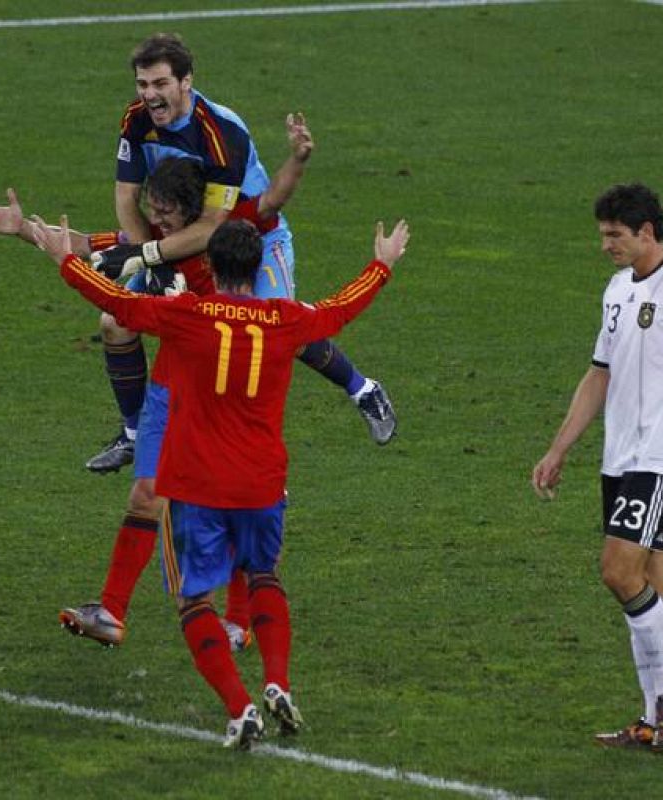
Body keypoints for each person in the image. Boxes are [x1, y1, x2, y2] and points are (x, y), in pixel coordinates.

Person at [33, 212, 410, 749]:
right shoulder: (286, 319)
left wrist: (64, 259)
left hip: (197, 486)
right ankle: (277, 682)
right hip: (261, 483)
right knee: (264, 579)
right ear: (257, 270)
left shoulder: (187, 313)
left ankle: (240, 709)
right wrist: (382, 264)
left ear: (209, 264)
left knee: (194, 604)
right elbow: (339, 310)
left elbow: (120, 305)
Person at [0, 131, 313, 650]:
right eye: (152, 211)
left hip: (220, 399)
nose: (156, 224)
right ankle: (111, 612)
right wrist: (24, 229)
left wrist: (297, 158)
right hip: (169, 391)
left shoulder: (223, 234)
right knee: (146, 493)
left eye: (167, 214)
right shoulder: (151, 244)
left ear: (191, 210)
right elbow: (87, 243)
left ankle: (239, 621)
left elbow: (270, 201)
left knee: (243, 499)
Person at [86, 32, 396, 472]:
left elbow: (217, 225)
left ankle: (364, 390)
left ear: (186, 81)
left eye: (159, 84)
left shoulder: (221, 131)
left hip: (253, 236)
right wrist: (147, 255)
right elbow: (125, 200)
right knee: (114, 323)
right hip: (182, 237)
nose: (149, 95)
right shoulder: (136, 120)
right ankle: (135, 433)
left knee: (276, 326)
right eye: (142, 84)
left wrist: (149, 255)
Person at [532, 183, 663, 753]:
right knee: (649, 584)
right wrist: (559, 447)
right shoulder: (617, 289)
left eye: (614, 236)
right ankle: (655, 717)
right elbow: (600, 374)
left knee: (618, 570)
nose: (605, 246)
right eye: (603, 235)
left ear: (646, 232)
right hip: (621, 456)